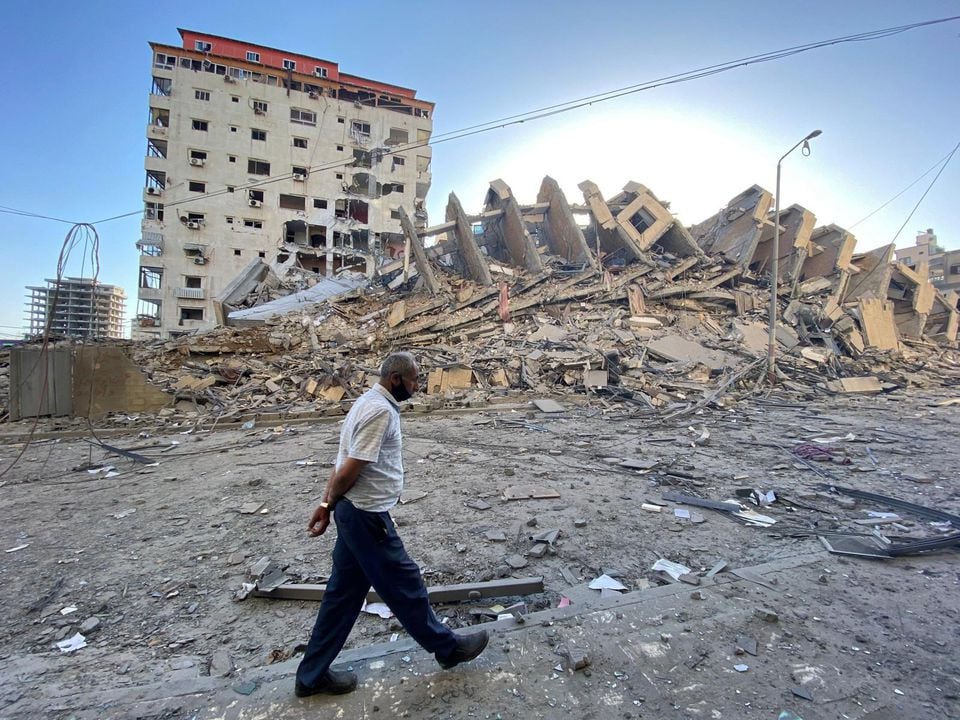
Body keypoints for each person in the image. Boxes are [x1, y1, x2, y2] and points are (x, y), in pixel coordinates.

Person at [295, 352, 489, 697]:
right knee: (406, 584)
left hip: (355, 514)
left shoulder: (366, 402)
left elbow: (340, 461)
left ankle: (310, 677)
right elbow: (349, 468)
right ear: (396, 379)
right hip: (367, 517)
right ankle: (447, 649)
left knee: (341, 597)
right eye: (414, 380)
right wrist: (327, 504)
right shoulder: (380, 412)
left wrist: (328, 504)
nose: (418, 386)